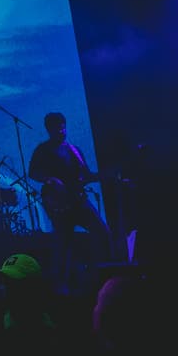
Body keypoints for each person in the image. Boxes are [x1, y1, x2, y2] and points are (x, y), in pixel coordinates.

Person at [28, 112, 113, 278]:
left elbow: (86, 175)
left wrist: (108, 175)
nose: (61, 132)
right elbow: (33, 173)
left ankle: (102, 275)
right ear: (49, 129)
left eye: (63, 128)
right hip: (59, 205)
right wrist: (51, 179)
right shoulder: (43, 150)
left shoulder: (74, 150)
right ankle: (59, 285)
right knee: (63, 245)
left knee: (103, 234)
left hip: (79, 201)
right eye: (57, 129)